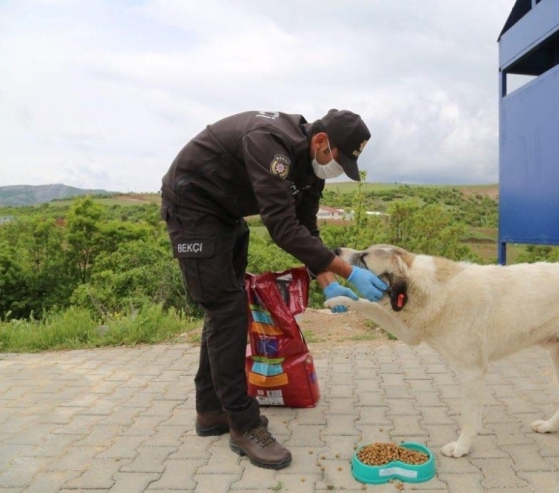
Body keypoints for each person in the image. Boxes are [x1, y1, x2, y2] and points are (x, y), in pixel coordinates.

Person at [160, 109, 388, 469]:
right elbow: (282, 228)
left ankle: (210, 411)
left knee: (224, 310)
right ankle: (243, 424)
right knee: (228, 310)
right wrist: (349, 272)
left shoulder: (312, 172)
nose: (335, 170)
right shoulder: (270, 143)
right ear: (320, 141)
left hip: (225, 214)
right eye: (336, 160)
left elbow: (306, 231)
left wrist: (330, 285)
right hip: (192, 206)